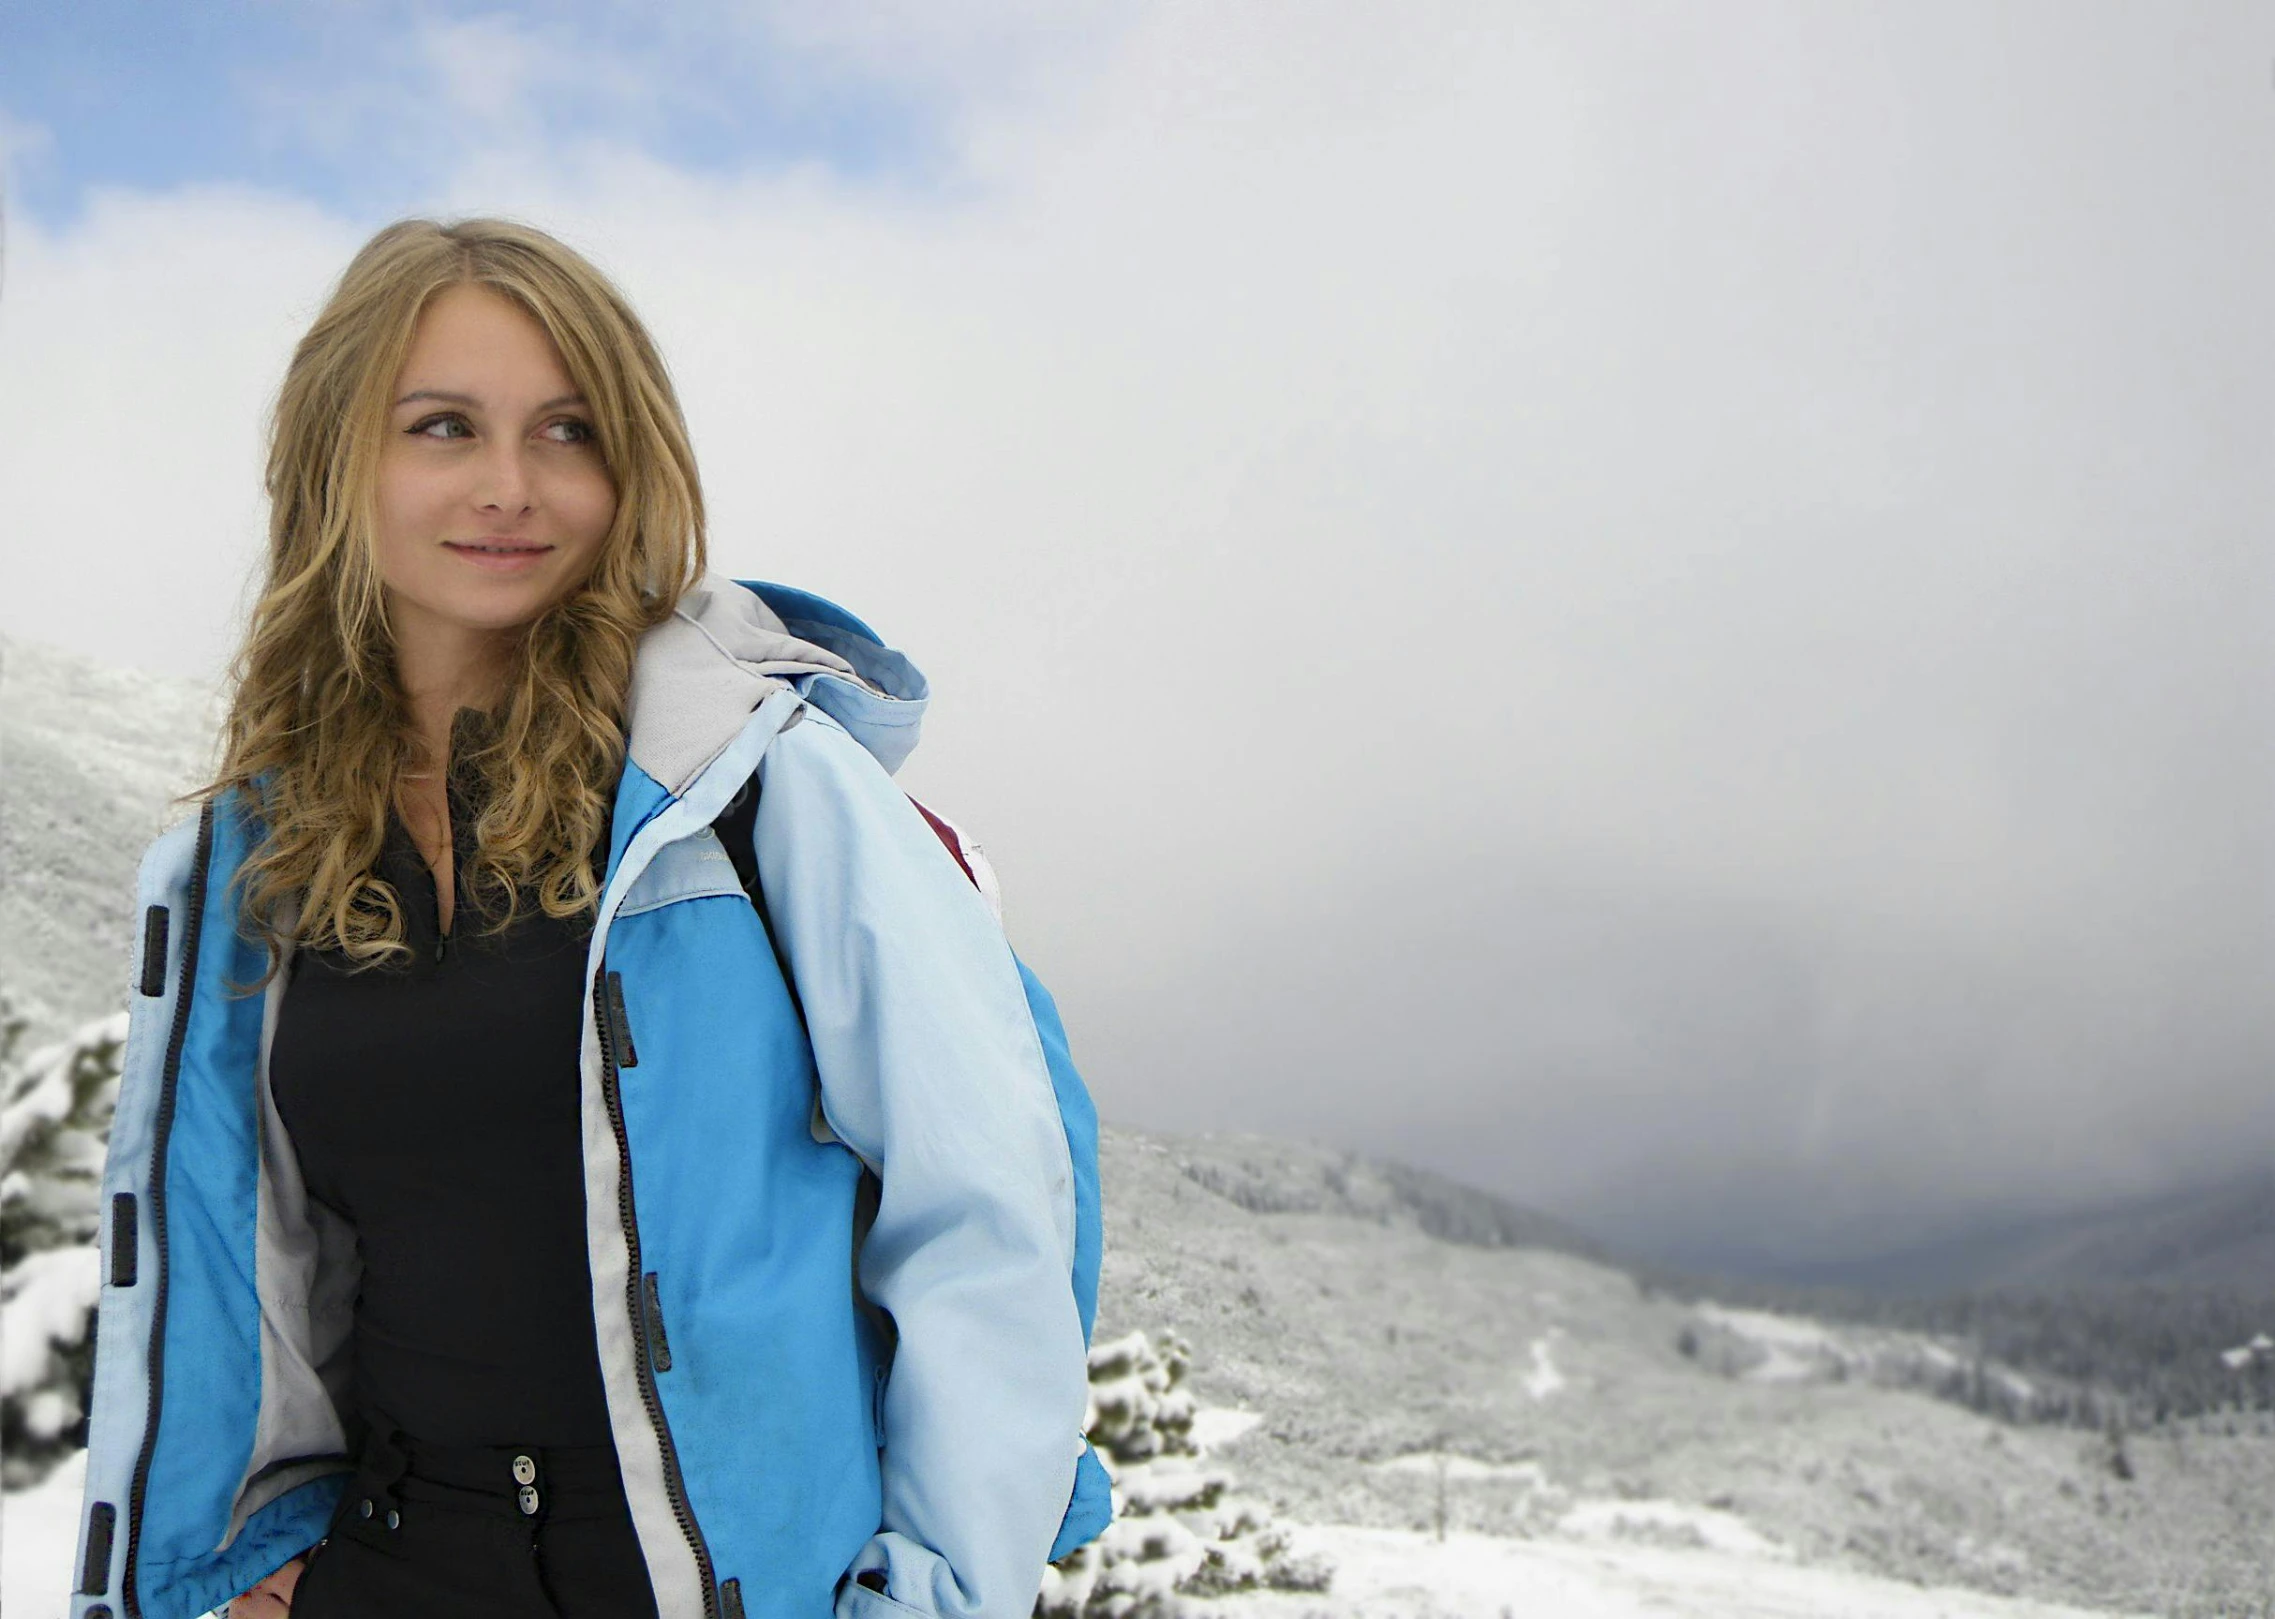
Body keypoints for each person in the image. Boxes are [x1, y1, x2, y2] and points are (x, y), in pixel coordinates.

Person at [68, 217, 1110, 1619]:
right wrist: (266, 1543)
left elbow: (986, 1209)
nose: (510, 486)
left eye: (567, 432)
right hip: (385, 1564)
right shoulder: (262, 847)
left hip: (712, 1580)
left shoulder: (746, 789)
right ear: (338, 458)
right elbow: (269, 1244)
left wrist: (933, 1594)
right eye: (443, 426)